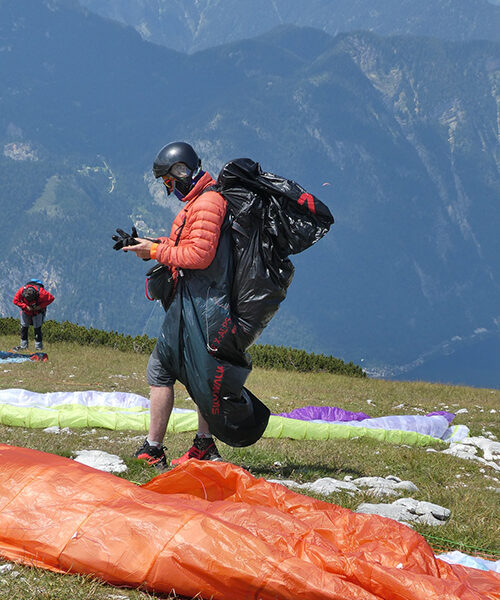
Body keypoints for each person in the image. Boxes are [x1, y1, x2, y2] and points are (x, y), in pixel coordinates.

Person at [118, 141, 227, 470]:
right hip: (199, 302)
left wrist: (155, 252)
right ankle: (204, 445)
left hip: (202, 304)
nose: (169, 189)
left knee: (161, 368)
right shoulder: (202, 201)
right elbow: (186, 245)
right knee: (198, 373)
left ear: (182, 171)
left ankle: (153, 449)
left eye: (169, 181)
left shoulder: (208, 202)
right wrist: (150, 244)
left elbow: (199, 255)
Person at [12, 280, 54, 351]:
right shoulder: (21, 291)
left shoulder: (42, 293)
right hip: (25, 311)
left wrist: (40, 306)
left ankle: (38, 348)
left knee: (37, 329)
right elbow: (15, 301)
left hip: (37, 312)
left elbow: (51, 298)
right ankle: (23, 346)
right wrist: (25, 306)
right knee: (24, 328)